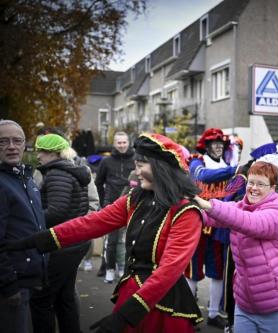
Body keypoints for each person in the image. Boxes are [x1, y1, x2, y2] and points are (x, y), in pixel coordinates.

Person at [0, 133, 204, 332]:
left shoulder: (186, 212)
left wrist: (125, 315)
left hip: (160, 303)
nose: (136, 172)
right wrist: (37, 240)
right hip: (131, 292)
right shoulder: (136, 198)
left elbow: (169, 270)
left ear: (161, 169)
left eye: (141, 166)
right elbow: (92, 223)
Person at [194, 161, 278, 333]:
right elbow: (209, 216)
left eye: (261, 184)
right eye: (251, 182)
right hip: (245, 304)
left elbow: (248, 222)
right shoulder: (241, 206)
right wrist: (185, 204)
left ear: (273, 188)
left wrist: (207, 204)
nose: (254, 188)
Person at [29, 133, 91, 333]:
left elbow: (57, 211)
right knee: (64, 297)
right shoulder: (70, 170)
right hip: (74, 242)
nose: (38, 156)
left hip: (61, 244)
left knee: (41, 300)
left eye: (42, 152)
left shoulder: (57, 173)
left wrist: (31, 220)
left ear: (54, 153)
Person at [185, 128, 237, 329]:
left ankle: (214, 313)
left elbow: (231, 193)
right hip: (196, 224)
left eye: (221, 144)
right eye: (214, 144)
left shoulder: (227, 165)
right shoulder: (197, 162)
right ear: (206, 146)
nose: (217, 147)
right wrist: (234, 170)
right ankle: (188, 315)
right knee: (192, 271)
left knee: (218, 272)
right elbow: (203, 176)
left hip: (218, 228)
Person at [0, 120, 47, 333]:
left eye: (17, 141)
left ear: (24, 145)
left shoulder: (24, 177)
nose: (11, 146)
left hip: (27, 279)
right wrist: (8, 284)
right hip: (11, 285)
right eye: (3, 141)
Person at [95, 131, 135, 282]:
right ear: (114, 144)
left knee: (129, 239)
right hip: (111, 203)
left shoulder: (136, 159)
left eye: (124, 142)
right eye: (119, 143)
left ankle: (124, 268)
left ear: (128, 142)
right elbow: (98, 182)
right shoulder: (106, 161)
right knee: (111, 239)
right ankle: (110, 269)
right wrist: (103, 199)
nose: (122, 145)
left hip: (132, 202)